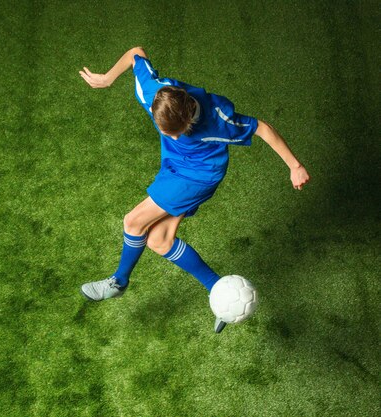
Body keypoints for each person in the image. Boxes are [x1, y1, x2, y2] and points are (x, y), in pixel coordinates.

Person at [78, 47, 310, 333]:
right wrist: (108, 78)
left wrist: (294, 166)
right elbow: (136, 53)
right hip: (173, 165)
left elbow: (262, 128)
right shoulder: (154, 93)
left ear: (189, 119)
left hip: (199, 174)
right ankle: (216, 289)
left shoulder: (217, 120)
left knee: (133, 221)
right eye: (166, 131)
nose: (171, 135)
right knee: (159, 240)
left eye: (176, 132)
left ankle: (118, 282)